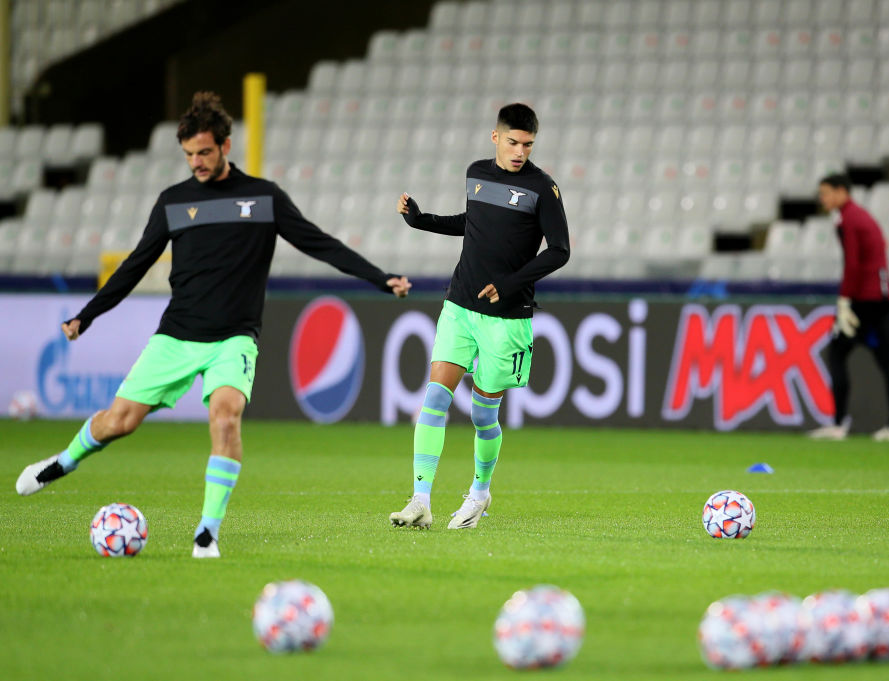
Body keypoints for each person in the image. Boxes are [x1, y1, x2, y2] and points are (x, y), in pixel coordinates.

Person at [15, 91, 411, 557]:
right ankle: (63, 462)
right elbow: (135, 265)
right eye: (188, 155)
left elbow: (319, 243)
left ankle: (207, 533)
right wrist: (88, 314)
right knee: (118, 423)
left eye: (204, 152)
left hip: (234, 338)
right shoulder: (173, 202)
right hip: (176, 335)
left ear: (225, 145)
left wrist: (380, 278)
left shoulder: (264, 198)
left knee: (225, 418)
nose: (196, 163)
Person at [389, 103, 570, 530]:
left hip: (506, 317)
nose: (520, 151)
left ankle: (479, 493)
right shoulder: (476, 173)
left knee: (483, 414)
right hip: (460, 306)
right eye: (513, 142)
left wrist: (510, 283)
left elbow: (560, 250)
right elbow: (473, 223)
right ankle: (420, 499)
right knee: (435, 398)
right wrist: (422, 221)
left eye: (528, 145)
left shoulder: (542, 188)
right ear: (495, 137)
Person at [809, 173, 889, 442]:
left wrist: (844, 301)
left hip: (865, 301)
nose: (822, 199)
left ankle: (840, 424)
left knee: (840, 355)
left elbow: (853, 264)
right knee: (883, 360)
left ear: (841, 191)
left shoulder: (848, 219)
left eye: (826, 193)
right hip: (878, 298)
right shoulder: (860, 216)